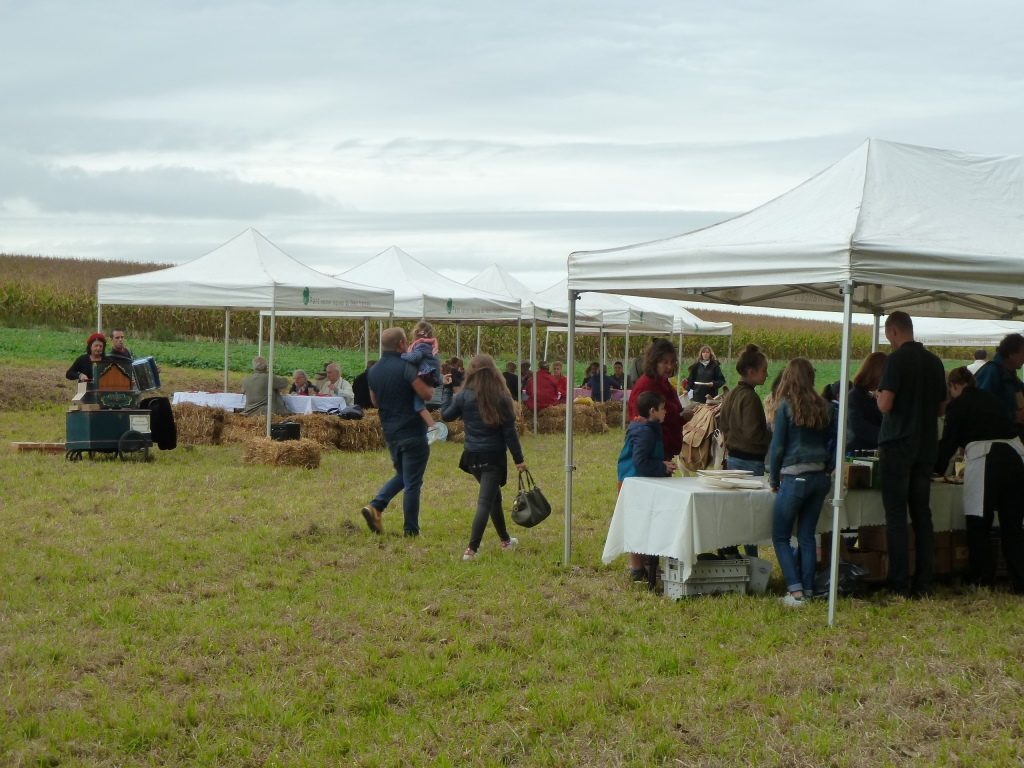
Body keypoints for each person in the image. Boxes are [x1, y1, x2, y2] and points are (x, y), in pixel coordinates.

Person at [876, 311, 948, 597]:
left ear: (893, 331)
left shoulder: (896, 360)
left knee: (896, 515)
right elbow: (943, 407)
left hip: (897, 444)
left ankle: (898, 582)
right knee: (922, 513)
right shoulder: (934, 362)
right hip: (926, 445)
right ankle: (924, 581)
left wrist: (878, 396)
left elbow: (885, 404)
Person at [934, 367, 1024, 593]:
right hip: (1015, 456)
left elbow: (949, 441)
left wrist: (935, 468)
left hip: (987, 457)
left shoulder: (958, 405)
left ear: (953, 386)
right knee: (1012, 524)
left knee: (978, 522)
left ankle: (983, 578)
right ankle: (1020, 580)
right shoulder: (990, 398)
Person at [442, 354, 527, 560]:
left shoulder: (464, 396)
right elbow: (509, 433)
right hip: (493, 457)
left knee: (493, 498)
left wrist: (446, 389)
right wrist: (519, 459)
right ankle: (471, 549)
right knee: (485, 501)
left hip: (472, 457)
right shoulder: (502, 397)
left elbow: (446, 415)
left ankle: (505, 541)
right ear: (494, 372)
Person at [769, 358, 835, 607]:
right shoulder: (825, 407)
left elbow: (777, 449)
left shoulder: (785, 407)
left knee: (781, 536)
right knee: (807, 536)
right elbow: (840, 438)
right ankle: (807, 589)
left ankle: (795, 591)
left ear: (789, 377)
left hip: (794, 477)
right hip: (819, 477)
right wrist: (828, 466)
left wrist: (774, 478)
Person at [360, 328, 435, 537]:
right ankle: (411, 529)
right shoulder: (407, 367)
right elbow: (426, 394)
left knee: (404, 475)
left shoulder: (373, 371)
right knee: (412, 482)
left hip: (390, 432)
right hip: (412, 430)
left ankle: (376, 508)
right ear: (402, 344)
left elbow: (374, 401)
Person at [617, 391, 677, 581]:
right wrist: (661, 467)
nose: (665, 412)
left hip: (639, 481)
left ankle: (644, 566)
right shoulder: (644, 431)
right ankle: (637, 569)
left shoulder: (648, 427)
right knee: (638, 524)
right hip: (634, 483)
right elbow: (640, 461)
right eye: (662, 409)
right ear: (652, 411)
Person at [717, 344, 771, 559]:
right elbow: (753, 434)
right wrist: (772, 435)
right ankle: (751, 558)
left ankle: (731, 550)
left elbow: (723, 425)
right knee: (750, 514)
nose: (766, 374)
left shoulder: (731, 394)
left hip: (734, 458)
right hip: (749, 461)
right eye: (763, 370)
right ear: (751, 372)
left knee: (737, 511)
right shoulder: (750, 398)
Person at [628, 339, 685, 460]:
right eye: (664, 362)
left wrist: (684, 416)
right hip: (652, 454)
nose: (669, 367)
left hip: (663, 452)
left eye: (672, 362)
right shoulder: (645, 386)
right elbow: (640, 426)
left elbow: (672, 414)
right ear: (654, 362)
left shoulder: (663, 382)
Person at [974, 333, 1024, 435]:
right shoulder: (992, 372)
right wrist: (1013, 416)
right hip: (992, 440)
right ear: (1011, 354)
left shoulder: (1011, 376)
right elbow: (980, 407)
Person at [401, 320, 443, 428]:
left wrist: (401, 355)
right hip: (430, 375)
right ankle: (423, 426)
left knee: (419, 405)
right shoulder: (430, 345)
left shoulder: (422, 345)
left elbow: (415, 358)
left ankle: (433, 427)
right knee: (417, 403)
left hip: (426, 374)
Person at [847, 351, 887, 452]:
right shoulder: (854, 396)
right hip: (857, 452)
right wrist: (887, 436)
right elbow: (859, 427)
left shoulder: (871, 395)